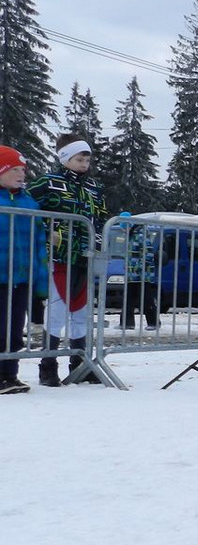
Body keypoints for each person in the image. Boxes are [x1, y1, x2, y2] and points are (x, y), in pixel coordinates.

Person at [27, 134, 107, 386]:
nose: (85, 164)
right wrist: (46, 230)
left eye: (87, 159)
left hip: (86, 257)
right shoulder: (48, 182)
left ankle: (80, 362)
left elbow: (102, 217)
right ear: (64, 158)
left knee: (81, 311)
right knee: (58, 310)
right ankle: (48, 365)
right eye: (79, 159)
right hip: (58, 256)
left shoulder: (93, 187)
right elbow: (26, 207)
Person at [0, 146, 48, 394]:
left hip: (19, 277)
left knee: (14, 329)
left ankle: (9, 374)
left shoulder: (29, 202)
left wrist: (40, 278)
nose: (21, 174)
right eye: (14, 169)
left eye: (23, 170)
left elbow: (39, 241)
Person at [118, 214, 159, 330]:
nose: (123, 230)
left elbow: (148, 254)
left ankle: (154, 322)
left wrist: (137, 268)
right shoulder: (131, 237)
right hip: (132, 275)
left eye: (123, 227)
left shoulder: (140, 236)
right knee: (128, 298)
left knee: (146, 299)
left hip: (143, 275)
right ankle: (127, 323)